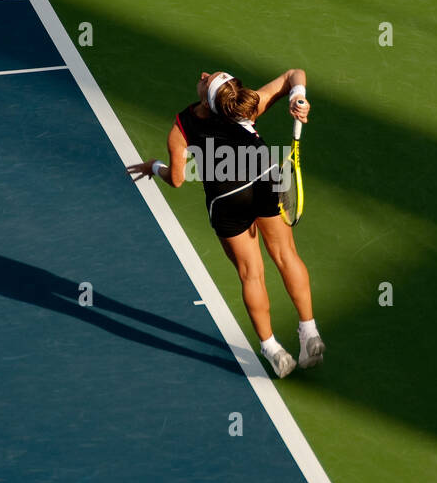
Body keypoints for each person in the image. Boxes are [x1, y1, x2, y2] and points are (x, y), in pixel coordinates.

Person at [127, 70, 324, 378]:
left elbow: (177, 180)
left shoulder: (181, 128)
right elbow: (293, 75)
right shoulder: (245, 108)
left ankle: (273, 349)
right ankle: (310, 332)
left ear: (207, 97)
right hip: (264, 176)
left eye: (209, 78)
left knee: (251, 274)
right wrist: (299, 97)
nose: (203, 74)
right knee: (287, 256)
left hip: (227, 198)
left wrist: (154, 166)